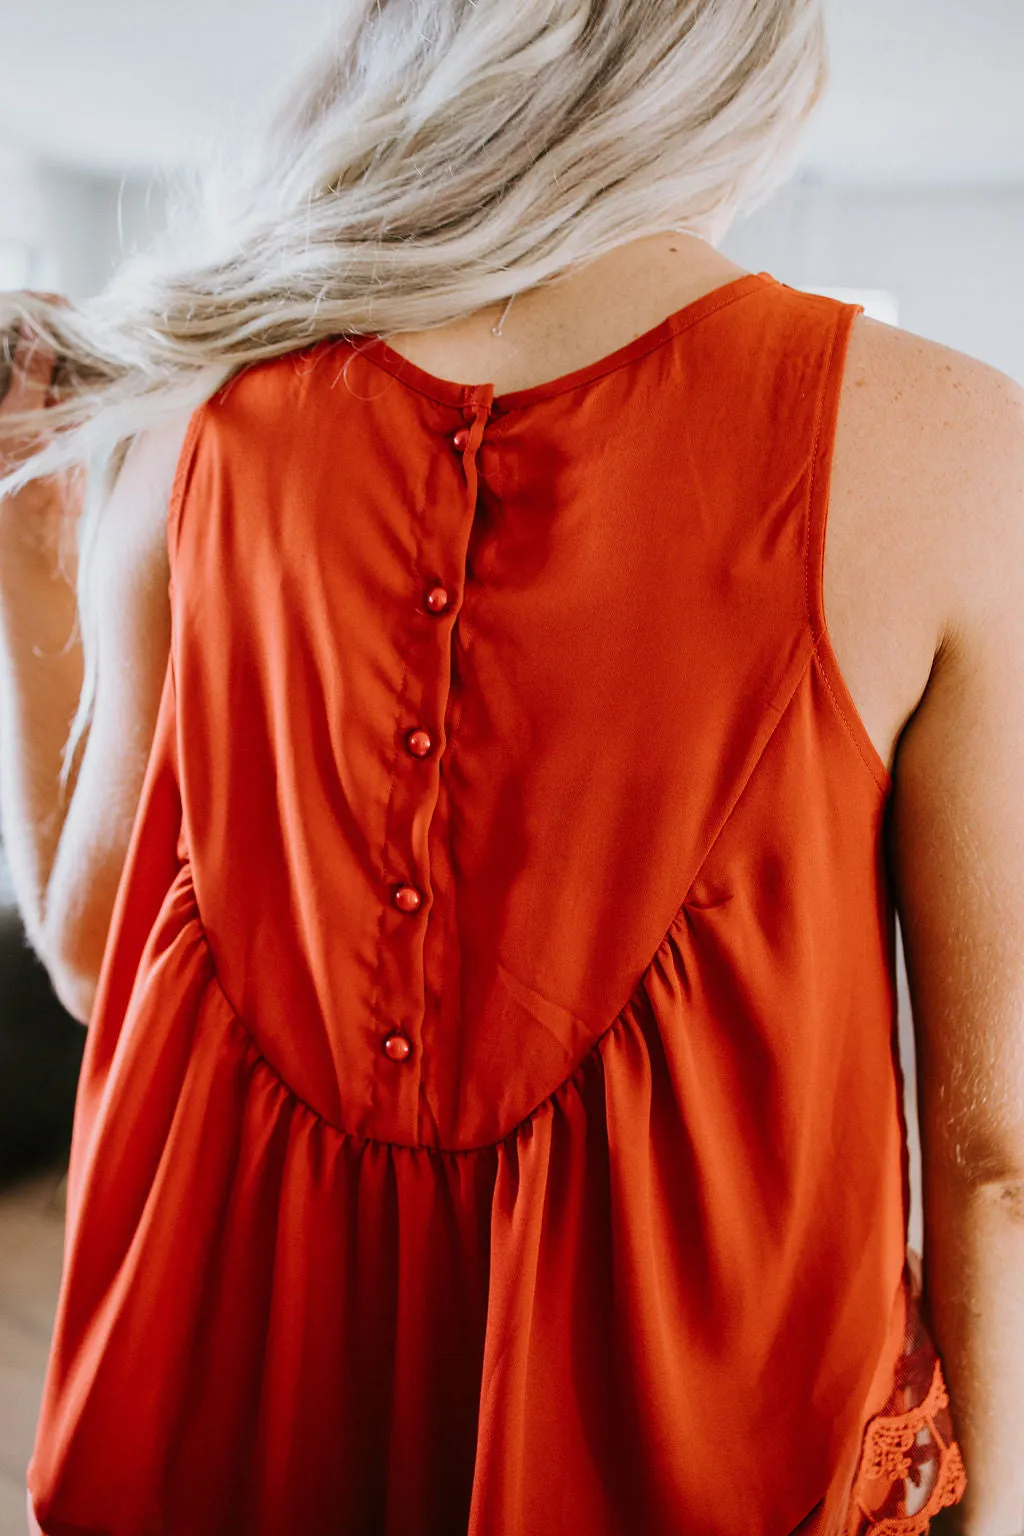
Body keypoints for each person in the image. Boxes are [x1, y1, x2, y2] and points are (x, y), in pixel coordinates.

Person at [0, 2, 1021, 1532]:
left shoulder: (198, 410)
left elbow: (95, 952)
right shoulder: (952, 438)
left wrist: (31, 571)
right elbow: (994, 1145)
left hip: (244, 1383)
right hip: (706, 1418)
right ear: (735, 85)